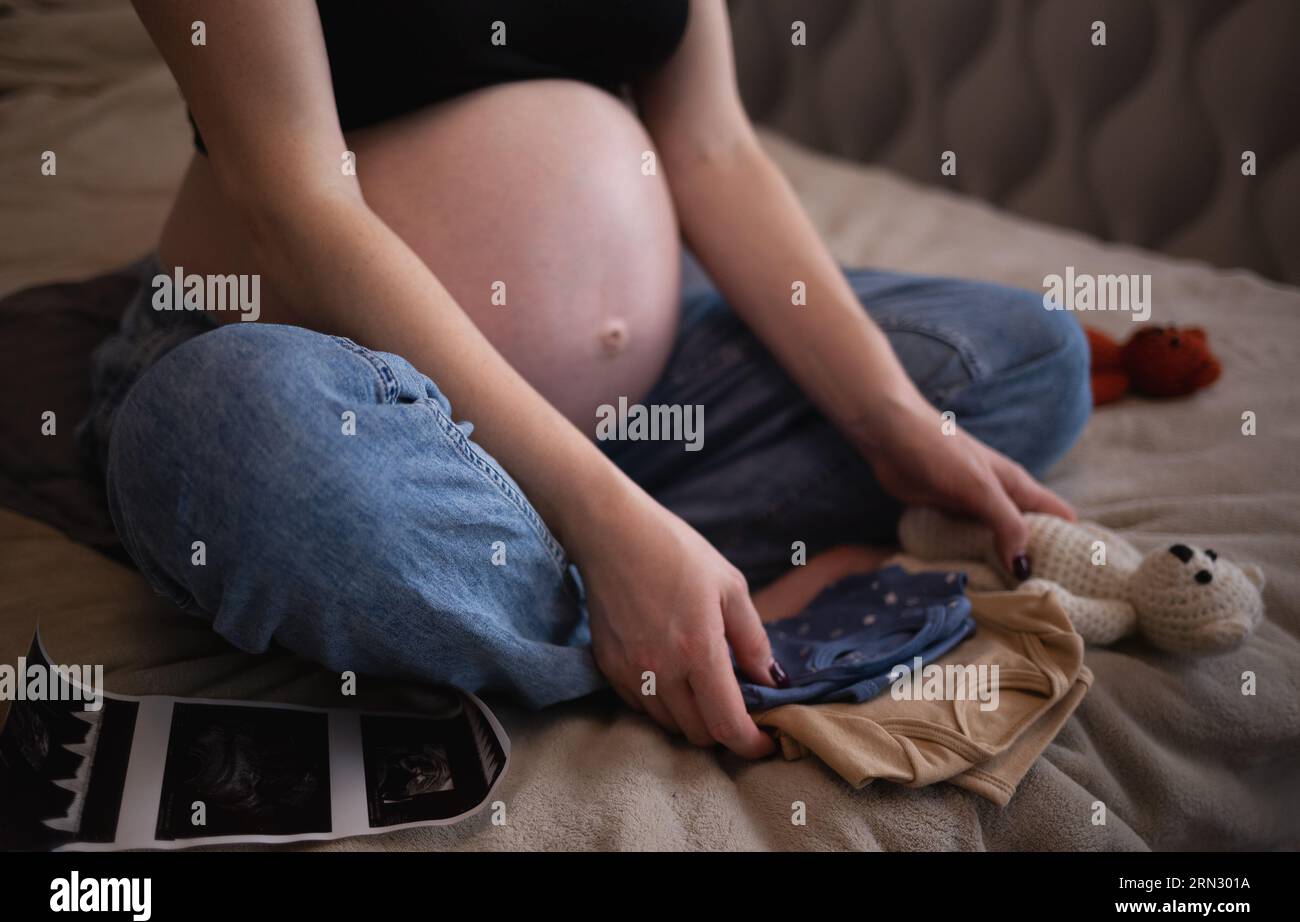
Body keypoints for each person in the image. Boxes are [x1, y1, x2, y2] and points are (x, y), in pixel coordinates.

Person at [89, 0, 1090, 760]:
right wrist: (603, 515)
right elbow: (295, 202)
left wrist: (891, 419)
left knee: (1025, 355)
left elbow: (711, 147)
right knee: (245, 445)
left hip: (642, 406)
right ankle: (663, 596)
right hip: (326, 385)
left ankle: (604, 581)